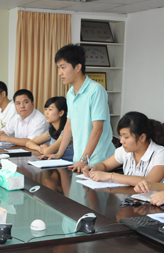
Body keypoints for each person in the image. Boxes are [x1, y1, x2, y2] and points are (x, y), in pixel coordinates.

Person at [42, 44, 114, 173]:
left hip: (98, 161)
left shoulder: (96, 90)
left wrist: (84, 159)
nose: (60, 73)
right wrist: (59, 154)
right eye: (59, 68)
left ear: (77, 67)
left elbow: (98, 128)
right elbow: (69, 126)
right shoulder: (70, 93)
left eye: (63, 67)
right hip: (79, 160)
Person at [83, 111, 164, 186]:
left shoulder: (162, 153)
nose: (121, 141)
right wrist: (93, 168)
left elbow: (149, 182)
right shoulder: (124, 150)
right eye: (121, 136)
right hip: (130, 198)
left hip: (154, 200)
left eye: (126, 137)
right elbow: (104, 165)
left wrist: (110, 176)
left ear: (142, 137)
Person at [26, 96, 73, 161]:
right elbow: (29, 143)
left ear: (61, 113)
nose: (46, 113)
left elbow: (47, 152)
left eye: (50, 109)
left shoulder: (66, 131)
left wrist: (45, 146)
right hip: (56, 163)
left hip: (69, 164)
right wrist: (39, 148)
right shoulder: (52, 131)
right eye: (46, 109)